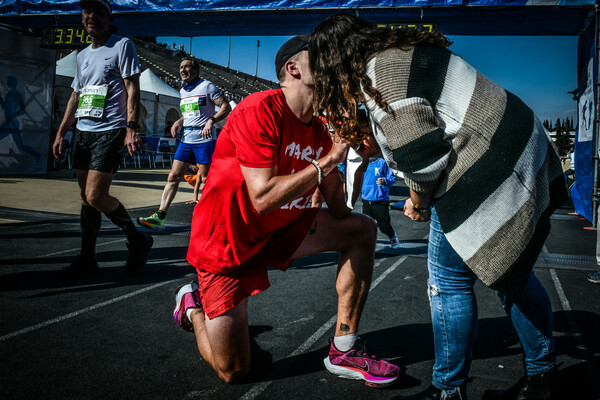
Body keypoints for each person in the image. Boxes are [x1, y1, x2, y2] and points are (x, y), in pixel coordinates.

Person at [309, 14, 568, 400]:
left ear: (333, 58)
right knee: (514, 272)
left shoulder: (379, 75)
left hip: (485, 162)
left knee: (448, 282)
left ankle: (449, 390)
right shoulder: (398, 54)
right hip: (517, 145)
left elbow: (423, 157)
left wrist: (417, 202)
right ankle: (542, 375)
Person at [172, 35, 400, 386]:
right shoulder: (258, 109)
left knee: (361, 229)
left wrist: (356, 155)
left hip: (279, 230)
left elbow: (340, 211)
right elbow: (262, 197)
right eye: (322, 57)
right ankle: (193, 305)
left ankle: (344, 346)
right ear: (293, 68)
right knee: (234, 372)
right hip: (228, 243)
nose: (335, 65)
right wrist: (329, 160)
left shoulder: (324, 128)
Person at [52, 0, 153, 278]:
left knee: (96, 195)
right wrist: (62, 132)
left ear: (109, 17)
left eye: (97, 11)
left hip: (110, 130)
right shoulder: (83, 55)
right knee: (85, 199)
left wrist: (132, 127)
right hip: (83, 131)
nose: (91, 16)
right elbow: (76, 95)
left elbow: (133, 88)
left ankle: (138, 239)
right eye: (86, 11)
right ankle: (87, 258)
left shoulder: (123, 45)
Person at [137, 57, 231, 229]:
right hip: (186, 140)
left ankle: (214, 218)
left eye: (187, 67)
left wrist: (211, 120)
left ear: (196, 71)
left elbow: (225, 107)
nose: (183, 70)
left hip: (204, 140)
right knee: (173, 176)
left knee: (205, 179)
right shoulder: (183, 91)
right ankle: (160, 217)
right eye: (181, 67)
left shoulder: (207, 86)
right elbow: (191, 114)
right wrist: (179, 122)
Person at [357, 110, 400, 249]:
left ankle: (392, 236)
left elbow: (392, 176)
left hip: (380, 201)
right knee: (366, 226)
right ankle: (368, 245)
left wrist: (385, 181)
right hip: (366, 200)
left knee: (384, 226)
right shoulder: (361, 162)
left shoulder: (382, 161)